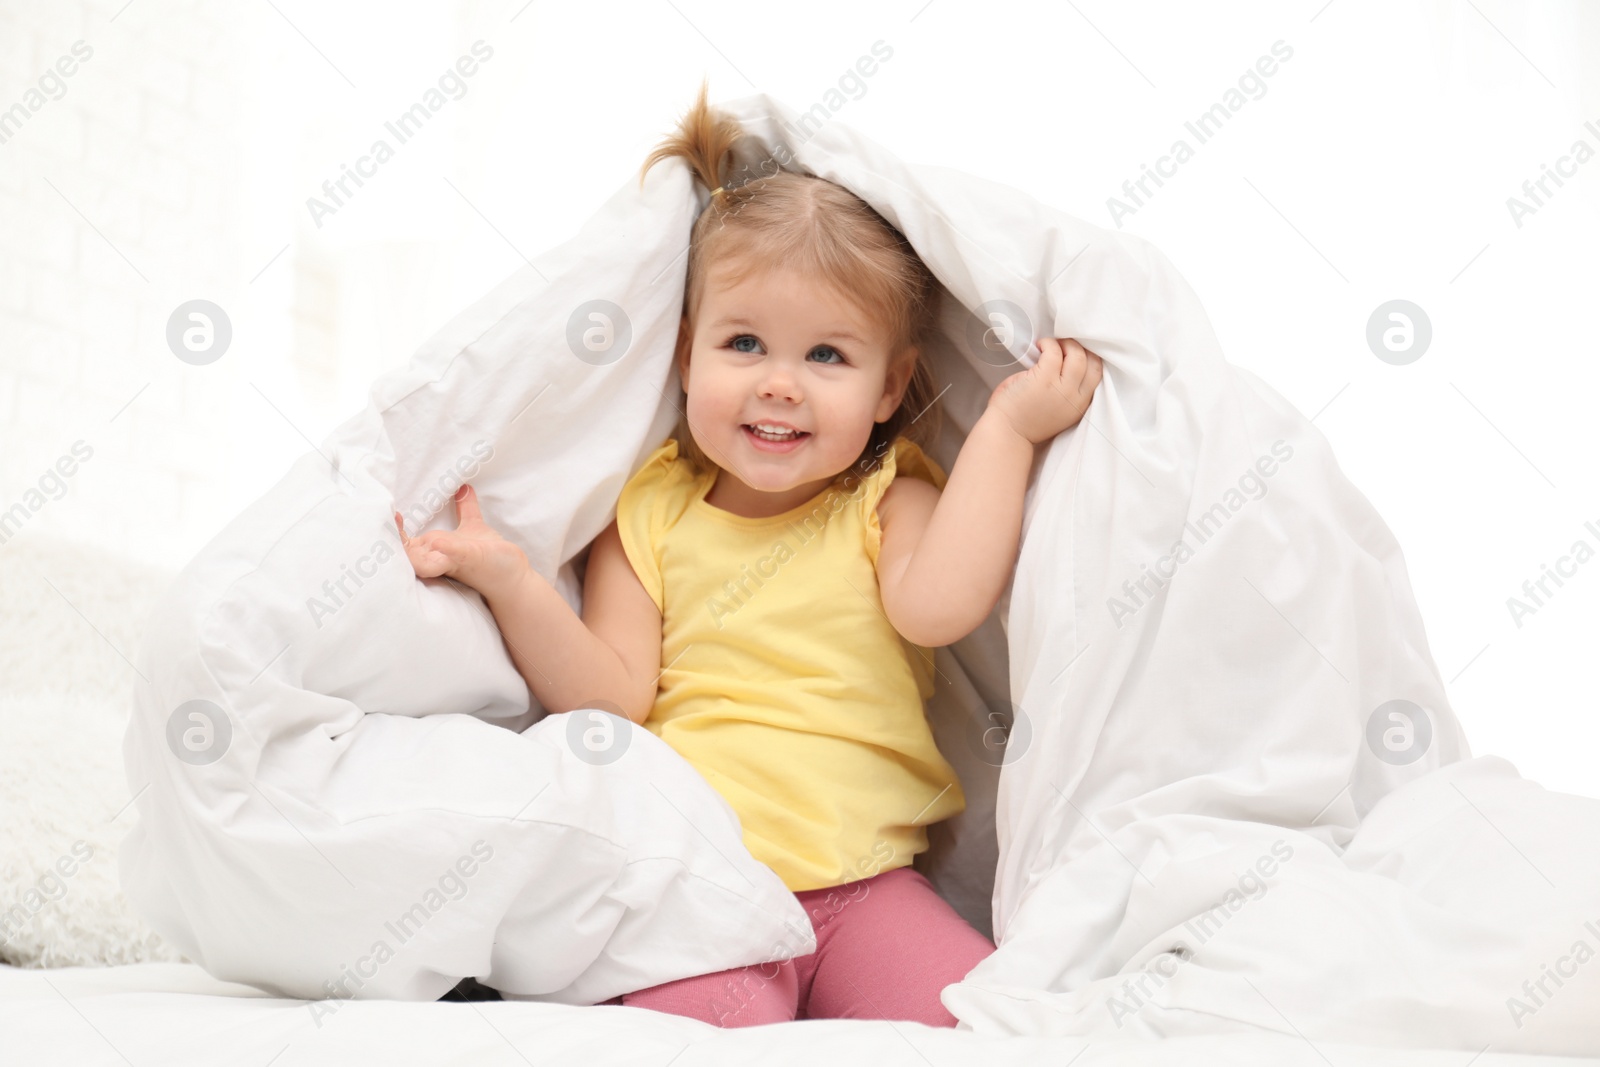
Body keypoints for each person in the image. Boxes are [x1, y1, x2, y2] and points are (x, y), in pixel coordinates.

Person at [395, 80, 1103, 1027]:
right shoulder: (650, 510)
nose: (780, 385)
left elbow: (940, 605)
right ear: (688, 358)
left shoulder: (889, 498)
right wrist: (514, 581)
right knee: (695, 1035)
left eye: (827, 357)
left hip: (868, 892)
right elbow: (612, 698)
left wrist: (1010, 428)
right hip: (704, 891)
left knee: (972, 1024)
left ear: (891, 387)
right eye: (745, 343)